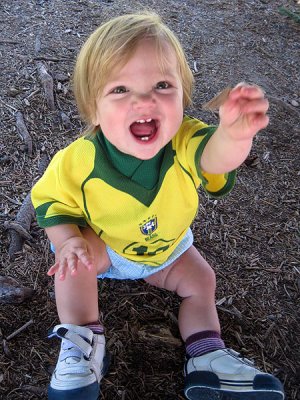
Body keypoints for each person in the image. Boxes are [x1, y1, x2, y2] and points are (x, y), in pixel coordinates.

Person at [31, 11, 285, 400]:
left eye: (163, 85)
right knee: (71, 267)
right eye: (120, 90)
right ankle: (83, 342)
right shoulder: (77, 159)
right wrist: (67, 240)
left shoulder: (186, 140)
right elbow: (50, 201)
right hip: (106, 246)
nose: (145, 99)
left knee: (201, 281)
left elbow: (214, 157)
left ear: (183, 95)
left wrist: (234, 135)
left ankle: (207, 355)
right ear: (94, 111)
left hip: (166, 249)